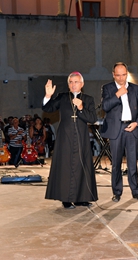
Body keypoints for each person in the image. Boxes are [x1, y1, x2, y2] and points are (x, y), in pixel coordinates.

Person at [42, 72, 98, 209]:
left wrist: (81, 108)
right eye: (71, 82)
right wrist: (48, 96)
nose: (73, 84)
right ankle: (65, 199)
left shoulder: (88, 99)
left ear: (82, 84)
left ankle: (81, 198)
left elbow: (92, 118)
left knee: (81, 165)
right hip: (65, 138)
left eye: (76, 82)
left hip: (81, 137)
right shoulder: (62, 97)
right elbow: (47, 108)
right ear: (68, 85)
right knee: (65, 166)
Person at [101, 62, 138, 202]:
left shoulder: (135, 88)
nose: (121, 78)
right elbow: (105, 106)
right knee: (116, 163)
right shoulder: (107, 88)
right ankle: (117, 192)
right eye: (118, 75)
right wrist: (117, 95)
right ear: (113, 75)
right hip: (116, 129)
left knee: (133, 162)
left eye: (124, 74)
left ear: (127, 74)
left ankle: (136, 191)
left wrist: (137, 123)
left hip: (131, 128)